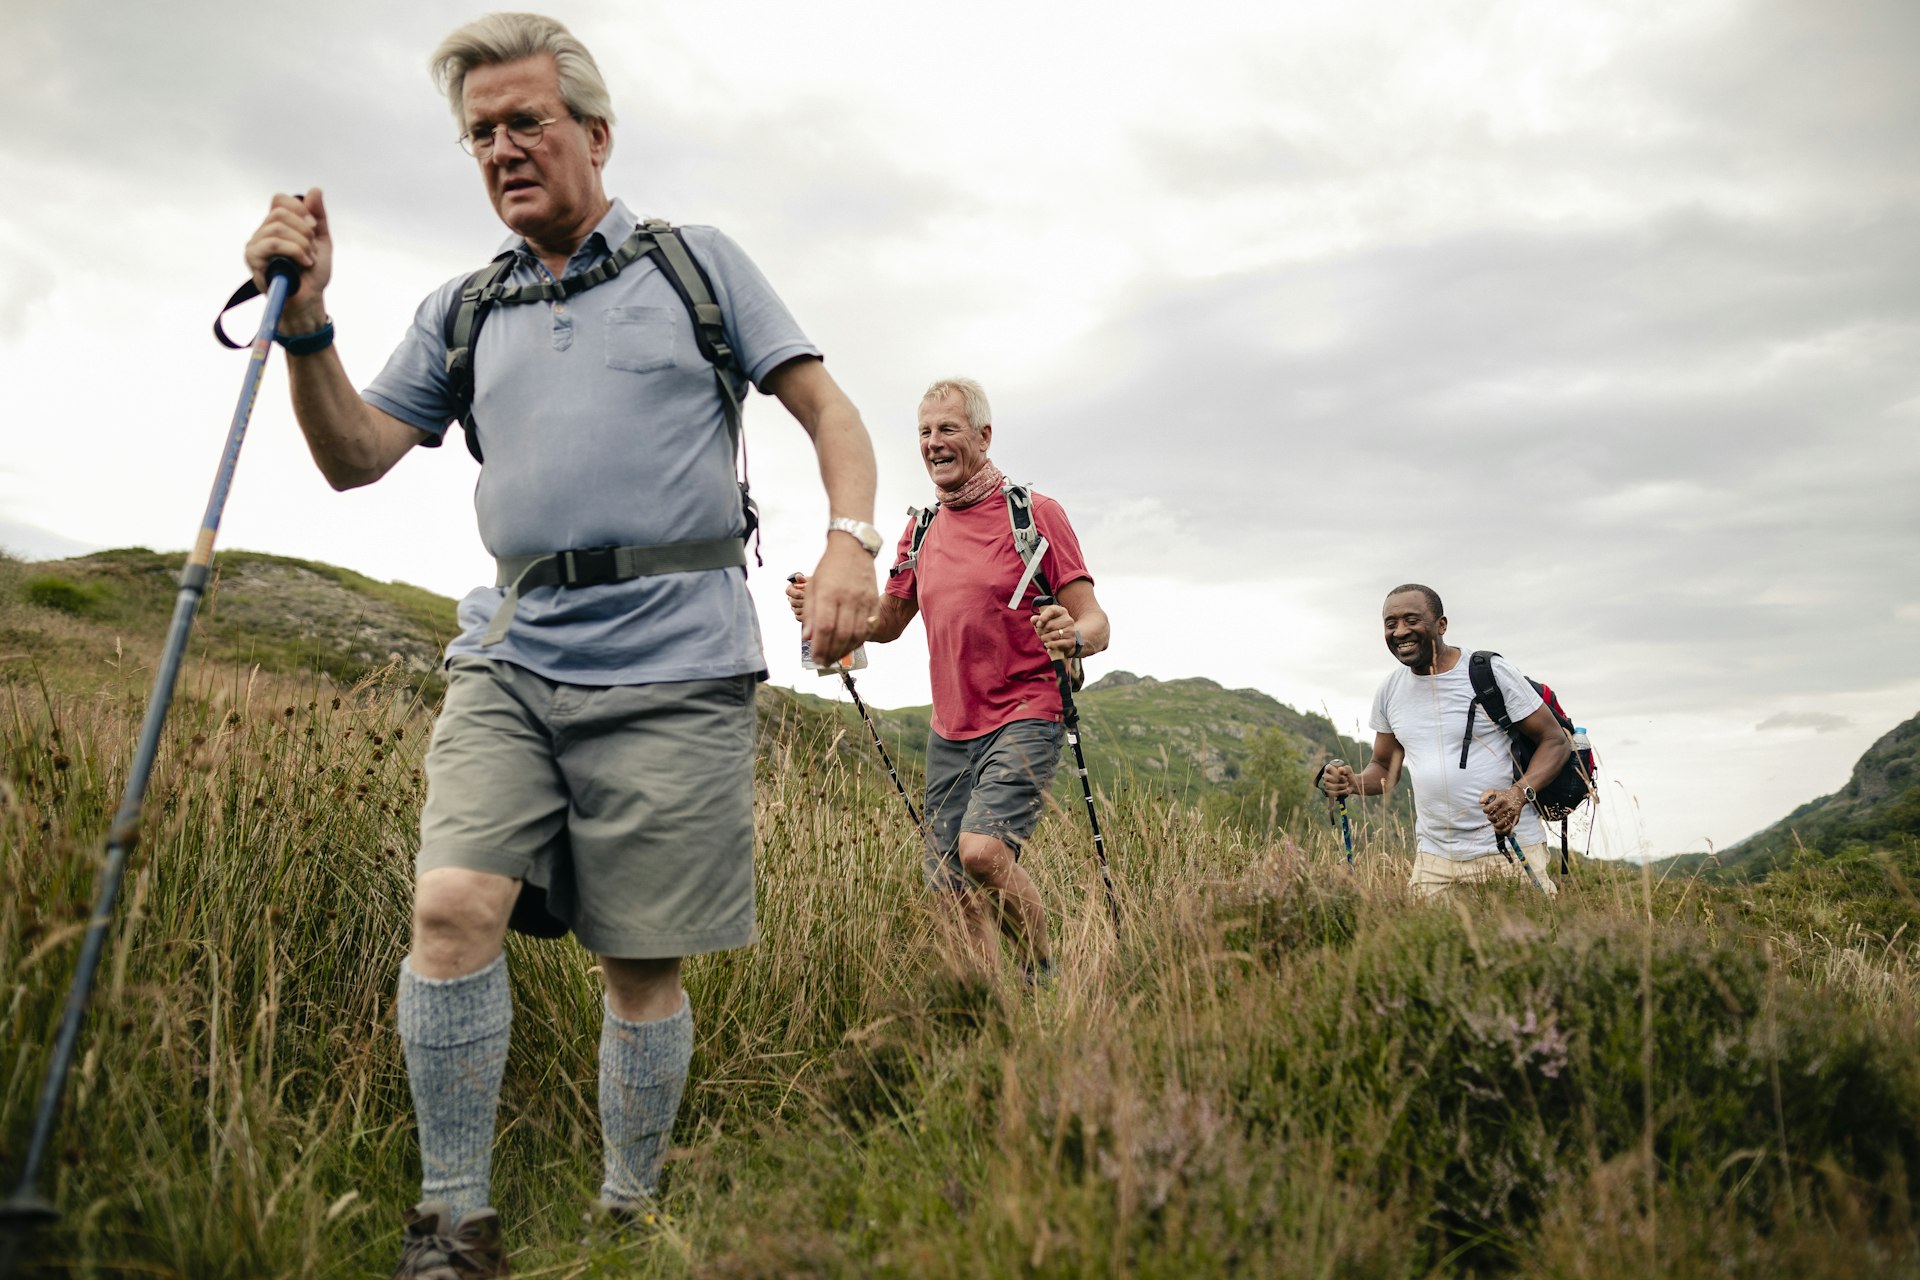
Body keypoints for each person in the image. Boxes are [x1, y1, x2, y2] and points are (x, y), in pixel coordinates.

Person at [241, 13, 882, 1275]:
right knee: (449, 905)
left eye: (526, 121)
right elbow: (354, 457)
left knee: (639, 963)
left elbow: (829, 408)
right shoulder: (465, 306)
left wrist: (852, 538)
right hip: (512, 650)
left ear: (595, 131)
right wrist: (308, 325)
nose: (503, 148)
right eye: (481, 133)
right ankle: (451, 1222)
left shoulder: (699, 266)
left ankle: (629, 1214)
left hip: (678, 658)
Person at [787, 377, 1110, 980]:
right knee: (948, 889)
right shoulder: (922, 530)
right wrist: (827, 607)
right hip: (951, 728)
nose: (933, 443)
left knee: (982, 853)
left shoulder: (1034, 515)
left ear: (983, 437)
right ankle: (987, 1007)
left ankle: (1042, 976)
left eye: (948, 430)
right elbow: (886, 624)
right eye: (925, 432)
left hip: (1027, 713)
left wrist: (1074, 633)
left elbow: (1096, 621)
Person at [1319, 584, 1569, 898]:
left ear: (1441, 624)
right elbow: (1384, 767)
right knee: (1427, 946)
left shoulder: (1488, 673)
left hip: (1507, 847)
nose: (1400, 631)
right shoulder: (1390, 691)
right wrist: (1352, 783)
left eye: (1411, 620)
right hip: (1434, 859)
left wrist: (1518, 795)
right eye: (1390, 623)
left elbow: (1554, 740)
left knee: (1521, 944)